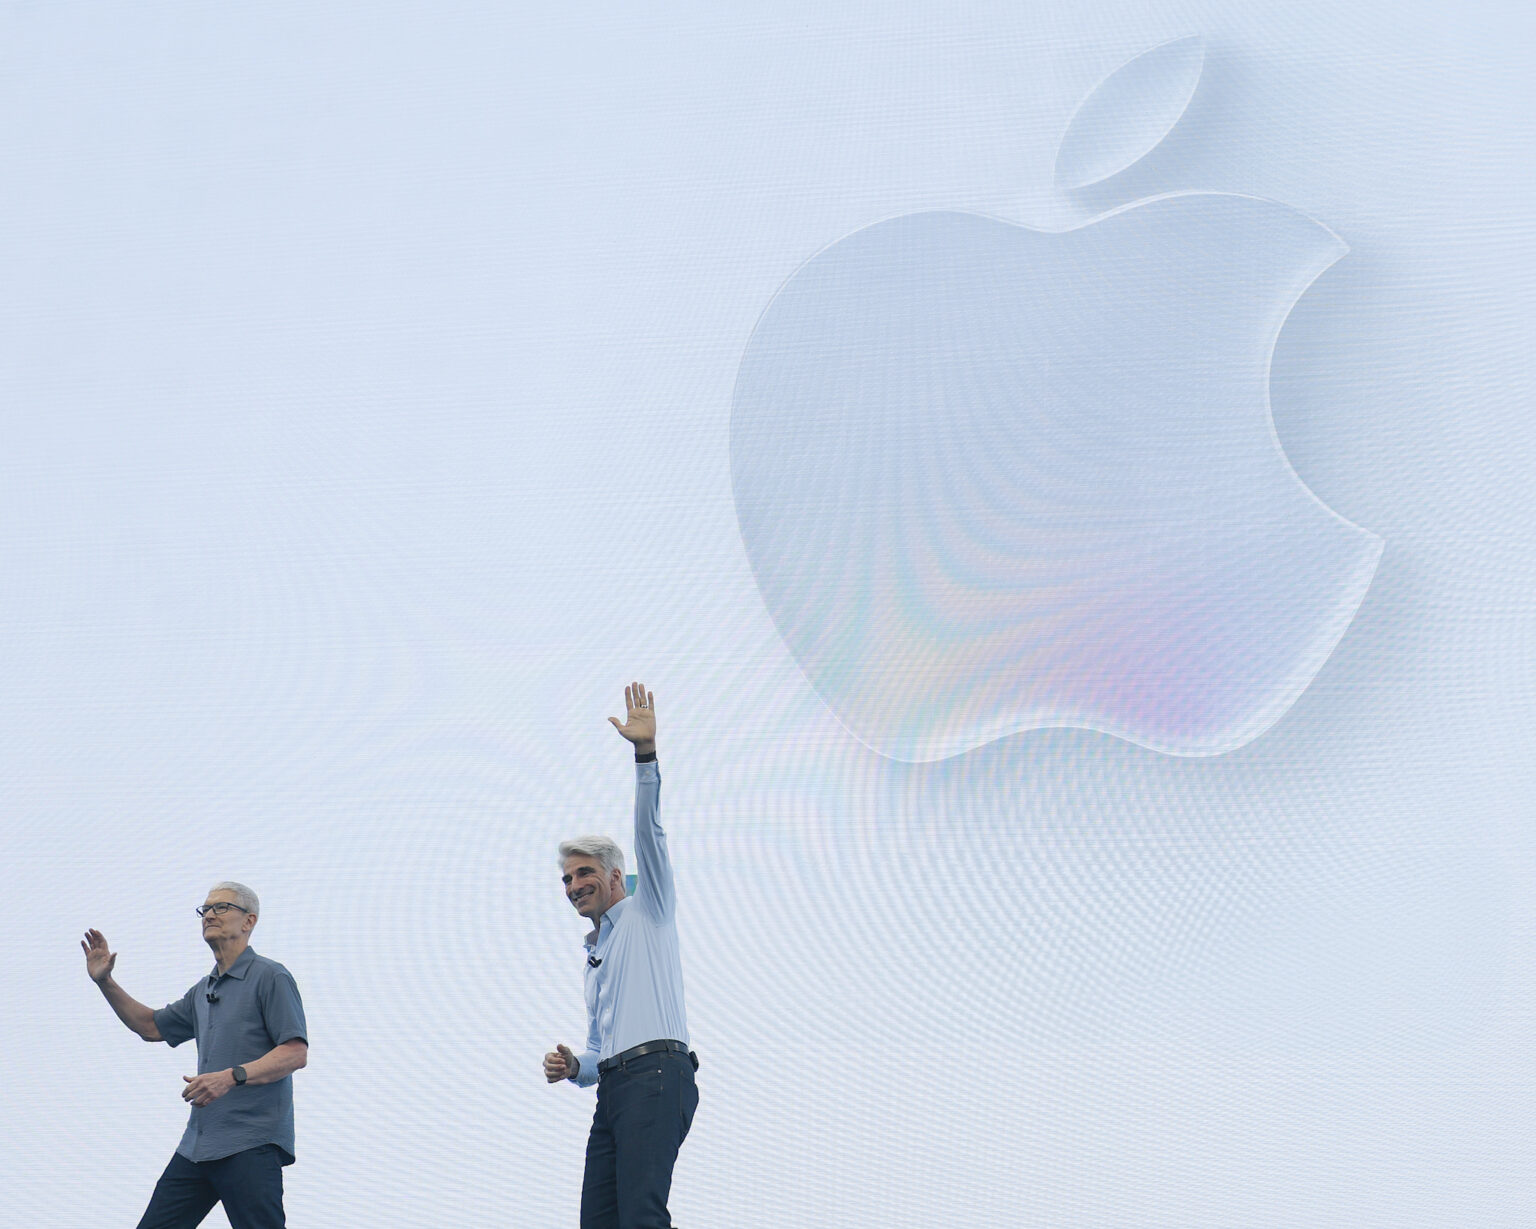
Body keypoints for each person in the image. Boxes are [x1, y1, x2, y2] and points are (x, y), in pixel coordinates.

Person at [544, 681, 699, 1229]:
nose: (573, 885)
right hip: (613, 1087)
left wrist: (645, 756)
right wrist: (575, 1066)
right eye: (567, 878)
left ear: (615, 876)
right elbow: (597, 1050)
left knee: (639, 1215)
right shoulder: (595, 952)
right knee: (599, 1221)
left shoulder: (646, 909)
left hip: (656, 1074)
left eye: (584, 872)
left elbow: (649, 835)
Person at [81, 882, 308, 1229]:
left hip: (251, 1143)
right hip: (197, 1149)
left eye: (221, 907)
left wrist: (230, 1076)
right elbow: (150, 1026)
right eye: (206, 909)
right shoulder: (204, 990)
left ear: (249, 921)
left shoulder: (270, 976)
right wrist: (105, 982)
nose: (210, 915)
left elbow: (294, 1053)